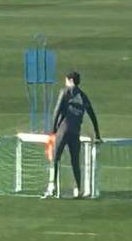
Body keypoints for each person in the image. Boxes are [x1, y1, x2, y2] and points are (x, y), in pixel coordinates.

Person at [43, 70, 101, 199]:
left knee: (55, 158)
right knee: (75, 162)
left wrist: (53, 131)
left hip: (63, 130)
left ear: (70, 80)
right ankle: (78, 190)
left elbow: (57, 111)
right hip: (75, 132)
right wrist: (97, 133)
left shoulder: (65, 92)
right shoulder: (83, 96)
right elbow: (92, 114)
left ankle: (52, 187)